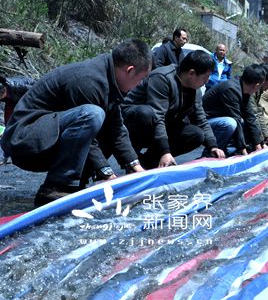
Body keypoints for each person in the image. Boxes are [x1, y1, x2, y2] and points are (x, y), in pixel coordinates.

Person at [1, 38, 152, 206]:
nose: (139, 85)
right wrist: (108, 175)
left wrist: (135, 166)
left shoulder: (109, 78)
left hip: (48, 136)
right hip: (24, 141)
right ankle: (56, 188)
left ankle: (76, 185)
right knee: (92, 115)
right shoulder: (89, 80)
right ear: (130, 70)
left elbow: (116, 129)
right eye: (141, 79)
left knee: (103, 122)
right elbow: (89, 133)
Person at [122, 50, 225, 168]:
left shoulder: (195, 89)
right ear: (191, 73)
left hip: (162, 124)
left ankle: (149, 162)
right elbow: (157, 115)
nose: (206, 82)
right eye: (205, 78)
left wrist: (213, 146)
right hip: (134, 122)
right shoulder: (162, 78)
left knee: (196, 134)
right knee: (146, 113)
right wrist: (165, 151)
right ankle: (131, 160)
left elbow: (200, 119)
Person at [202, 64, 265, 156]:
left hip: (217, 120)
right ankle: (211, 153)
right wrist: (243, 150)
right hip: (204, 123)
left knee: (244, 123)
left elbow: (250, 117)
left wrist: (258, 144)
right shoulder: (231, 89)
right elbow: (236, 118)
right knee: (230, 123)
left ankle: (228, 150)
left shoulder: (244, 89)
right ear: (257, 85)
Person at [0, 76, 35, 164]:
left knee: (26, 125)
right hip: (11, 101)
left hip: (29, 100)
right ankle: (5, 156)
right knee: (8, 126)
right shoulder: (4, 94)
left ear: (4, 90)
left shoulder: (19, 86)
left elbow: (36, 93)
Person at [250, 63, 268, 148]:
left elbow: (258, 113)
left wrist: (267, 137)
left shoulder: (258, 91)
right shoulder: (251, 90)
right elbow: (253, 116)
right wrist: (261, 142)